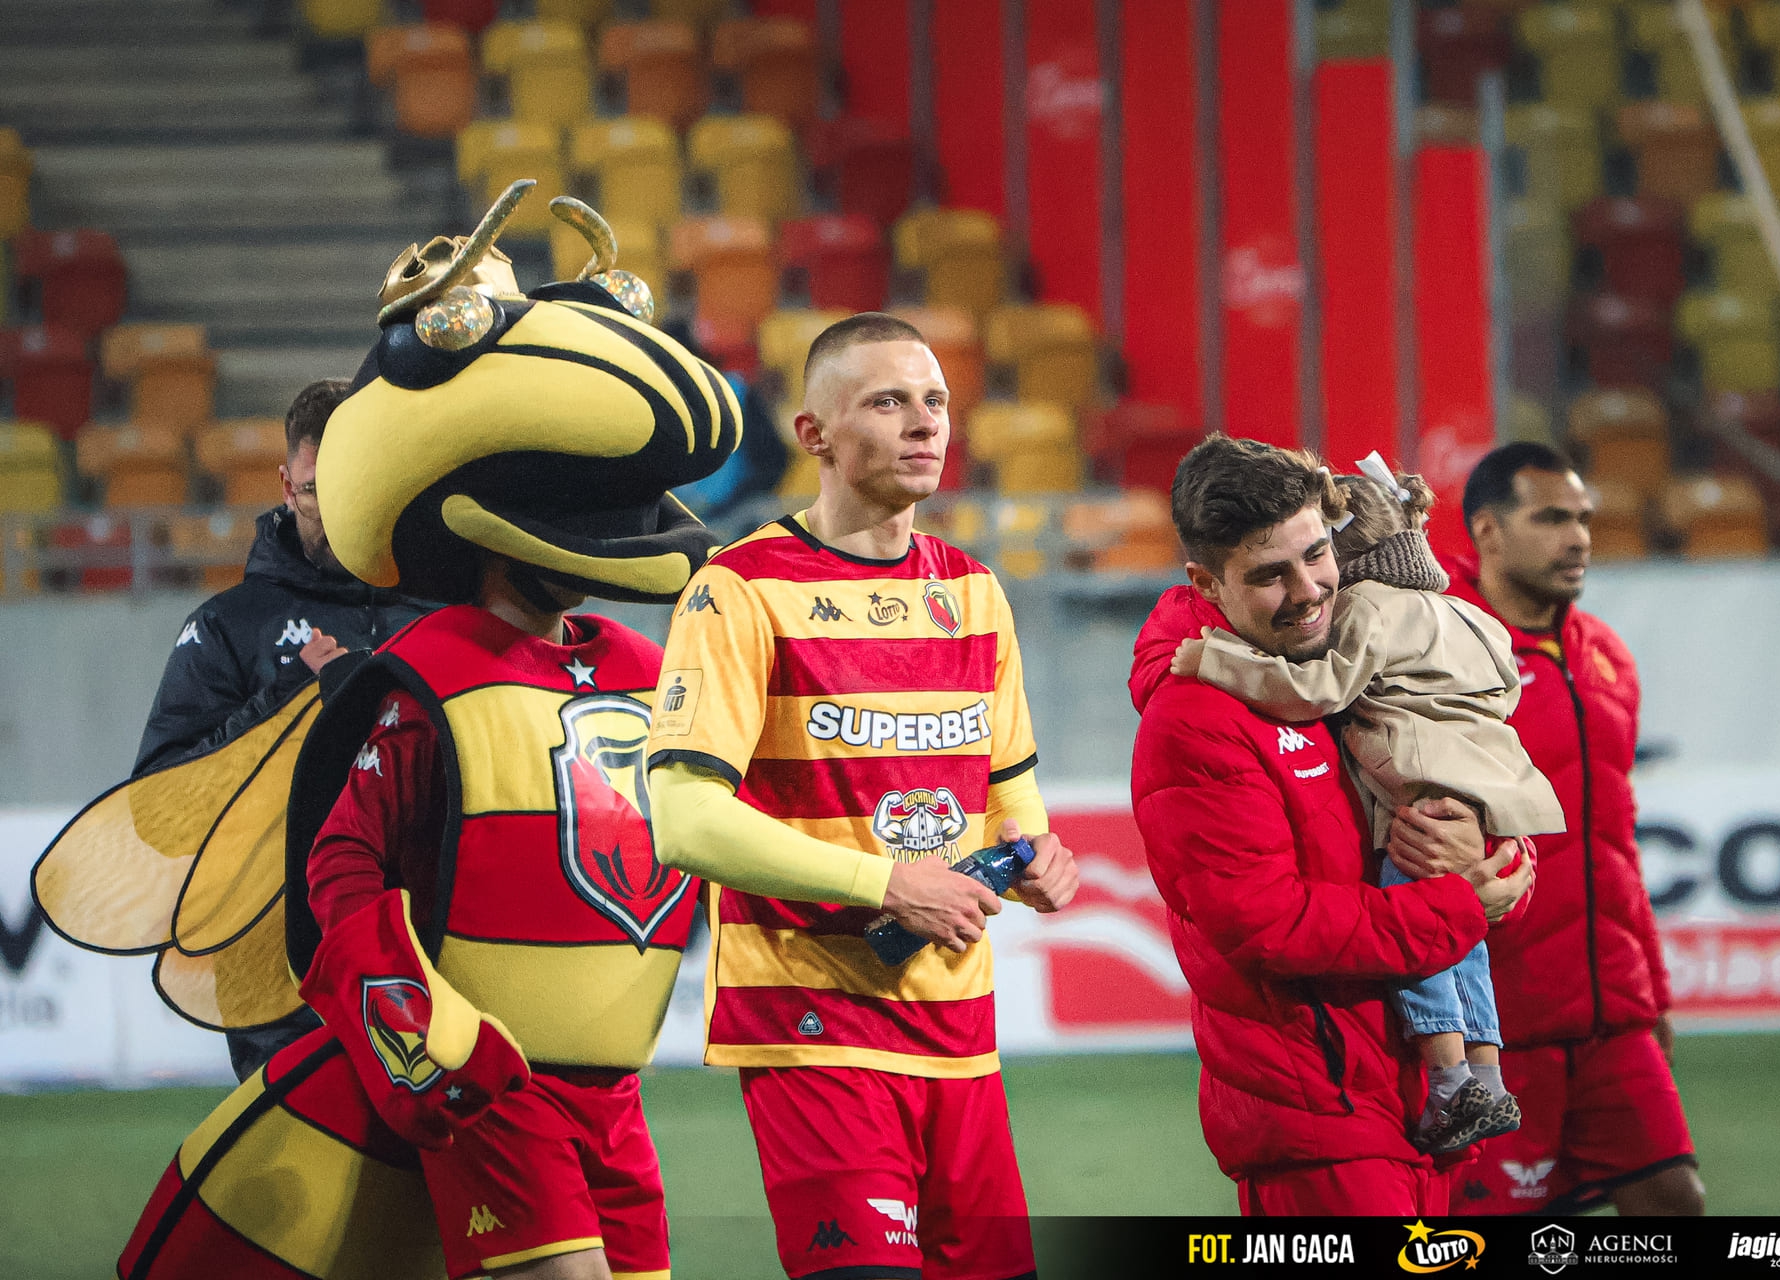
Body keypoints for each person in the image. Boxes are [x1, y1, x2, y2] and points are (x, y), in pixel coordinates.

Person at [112, 182, 742, 1280]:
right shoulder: (423, 676)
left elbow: (702, 833)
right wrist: (418, 1028)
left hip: (616, 1094)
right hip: (480, 1079)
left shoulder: (645, 669)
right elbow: (338, 868)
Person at [647, 311, 1079, 1280]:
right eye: (888, 402)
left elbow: (1008, 789)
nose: (925, 423)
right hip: (813, 1022)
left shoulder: (974, 591)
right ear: (815, 434)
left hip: (958, 1029)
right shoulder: (738, 589)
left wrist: (1038, 854)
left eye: (936, 401)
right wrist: (886, 884)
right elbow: (684, 818)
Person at [1130, 433, 1533, 1216]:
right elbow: (1268, 924)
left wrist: (1483, 856)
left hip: (1421, 1113)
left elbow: (1482, 813)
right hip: (1322, 1124)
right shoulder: (1194, 719)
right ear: (1206, 583)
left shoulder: (1347, 661)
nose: (1309, 590)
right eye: (1269, 575)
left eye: (1316, 555)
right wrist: (1459, 903)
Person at [134, 376, 430, 1079]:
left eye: (349, 487)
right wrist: (286, 697)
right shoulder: (229, 627)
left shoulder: (440, 613)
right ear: (285, 484)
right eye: (313, 490)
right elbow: (159, 806)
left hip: (426, 948)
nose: (331, 511)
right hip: (275, 965)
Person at [1442, 441, 1705, 1217]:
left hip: (1610, 1014)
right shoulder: (1438, 650)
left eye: (1584, 519)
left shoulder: (1606, 655)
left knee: (1676, 1201)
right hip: (1498, 1023)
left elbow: (1614, 838)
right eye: (1553, 518)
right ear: (1488, 531)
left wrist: (1650, 989)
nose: (1579, 537)